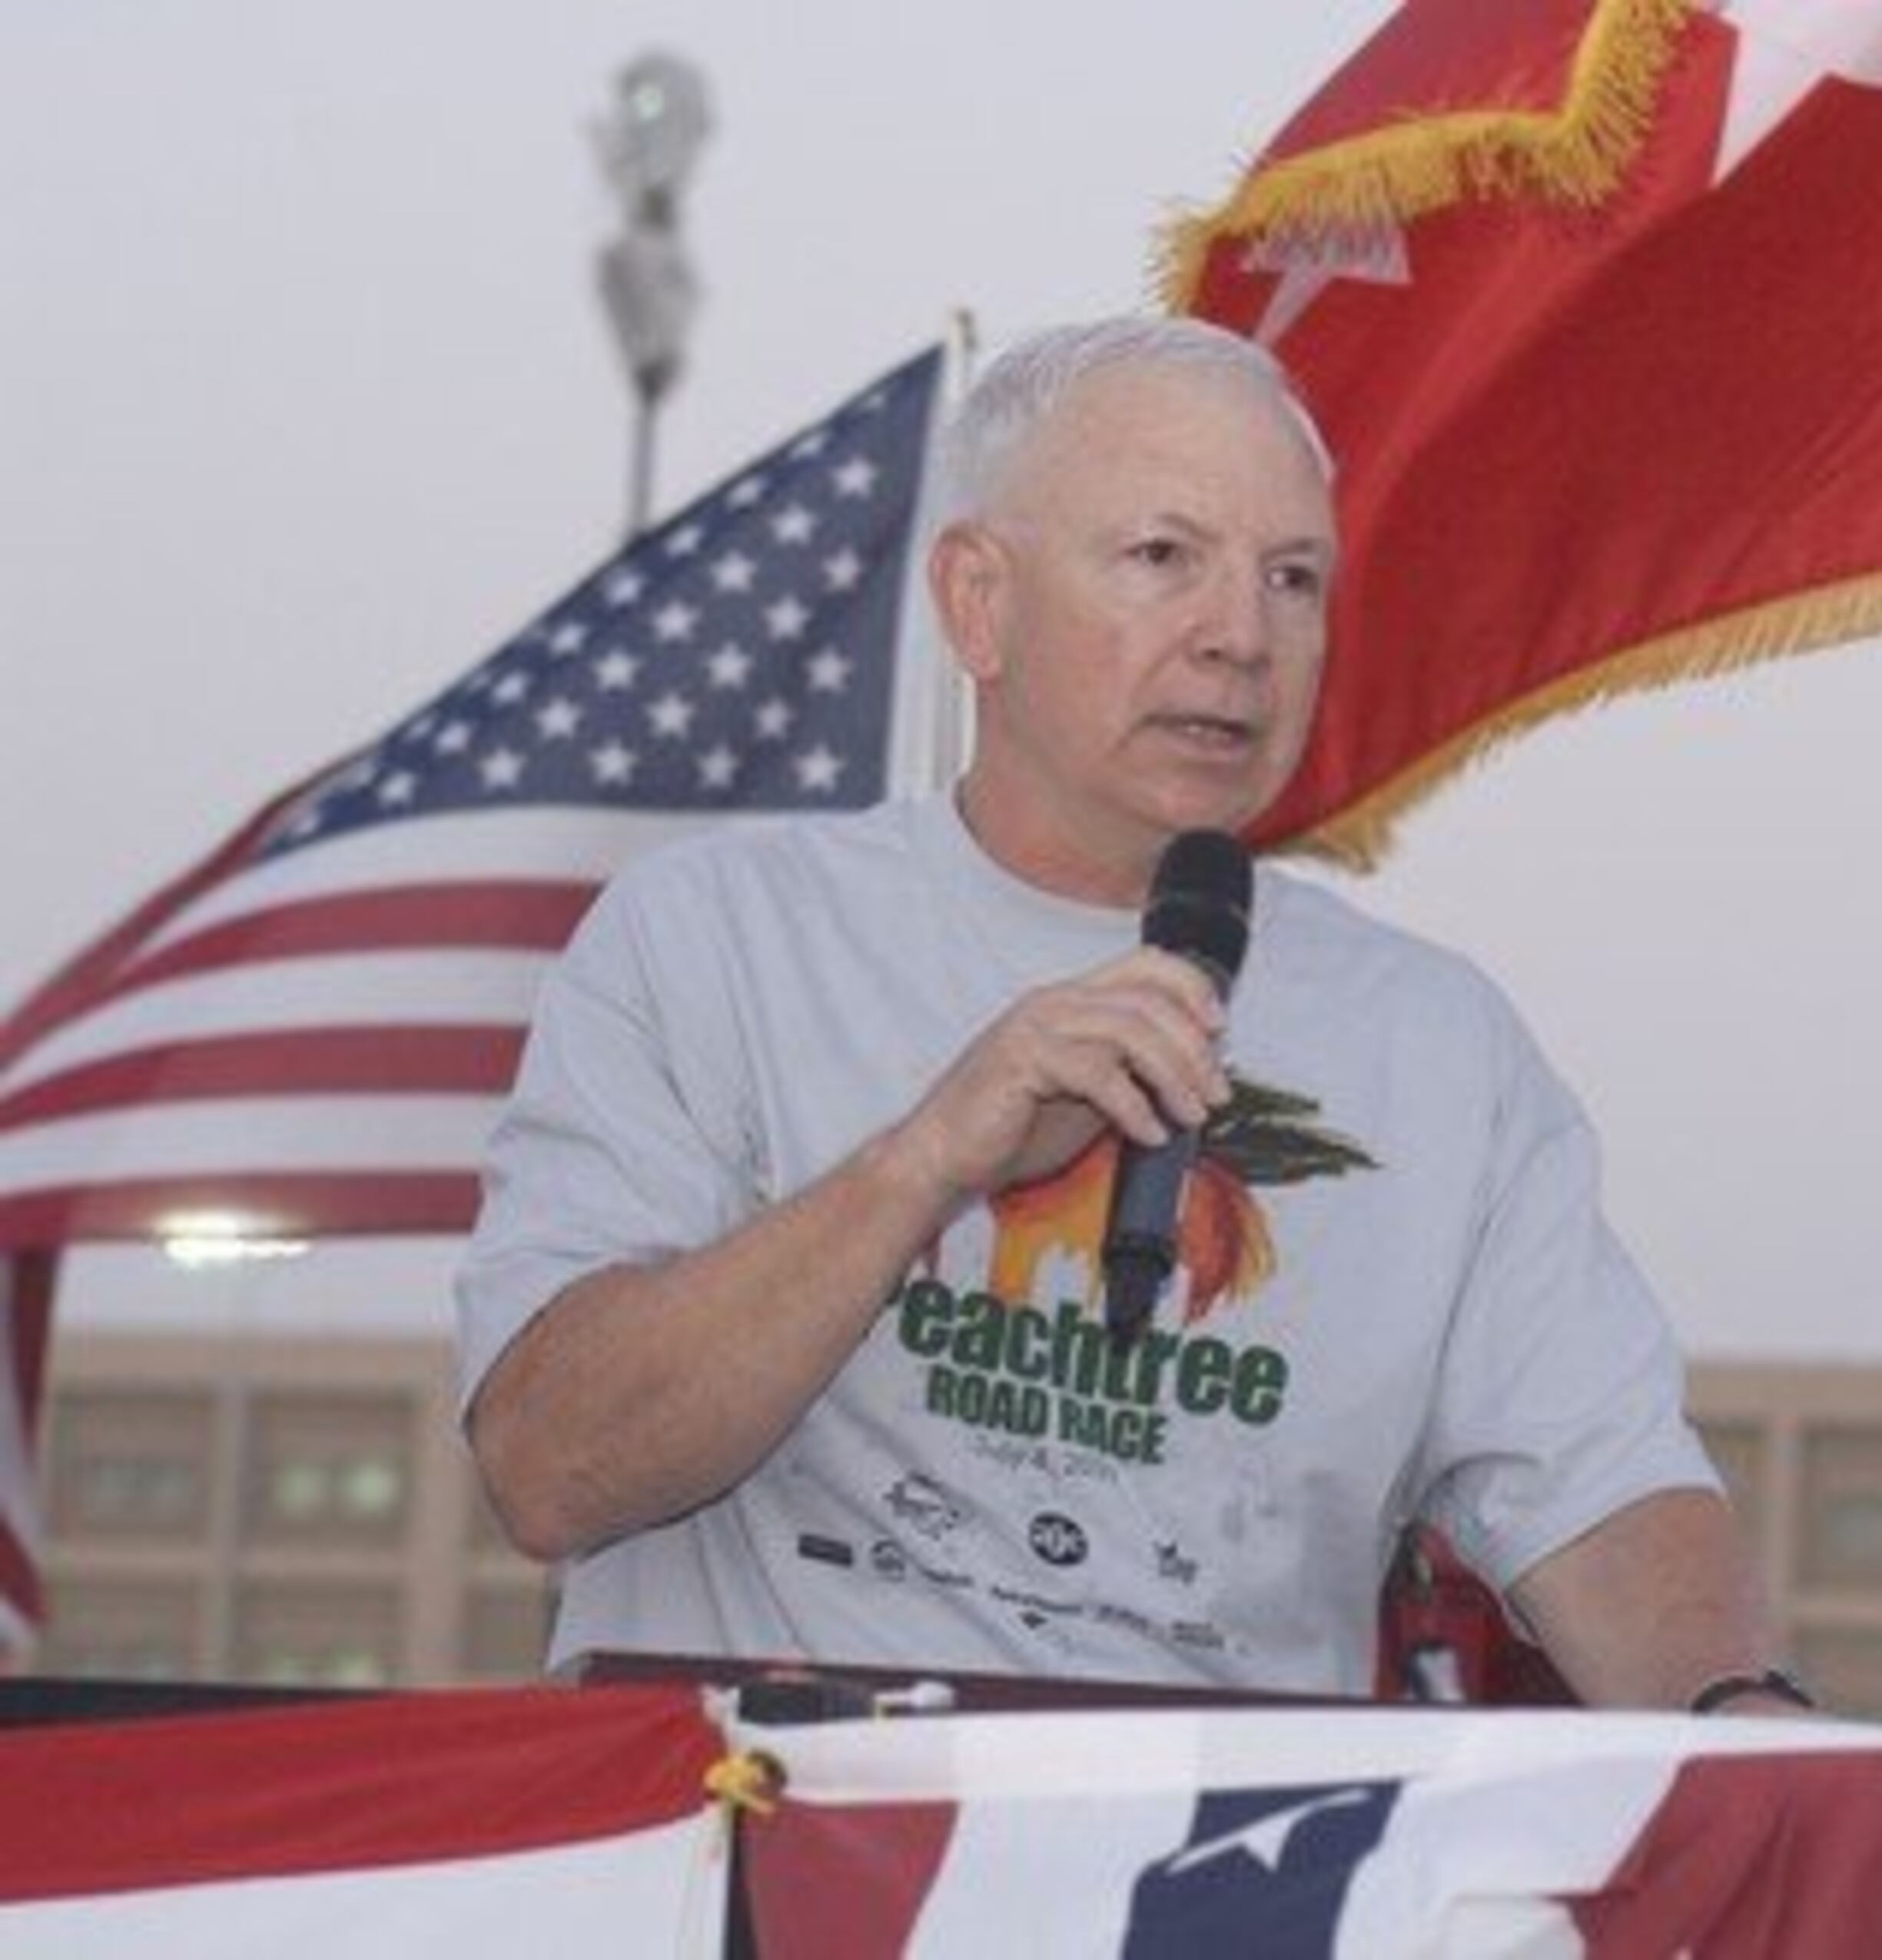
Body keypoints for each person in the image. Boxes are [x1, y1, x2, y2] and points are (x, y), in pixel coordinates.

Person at [456, 316, 1803, 1715]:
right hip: (771, 1860)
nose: (1240, 638)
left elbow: (1604, 1489)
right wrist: (926, 1161)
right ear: (979, 603)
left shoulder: (1440, 1049)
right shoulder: (714, 940)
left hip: (1221, 1878)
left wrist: (1743, 1719)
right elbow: (552, 1465)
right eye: (1166, 559)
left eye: (1294, 579)